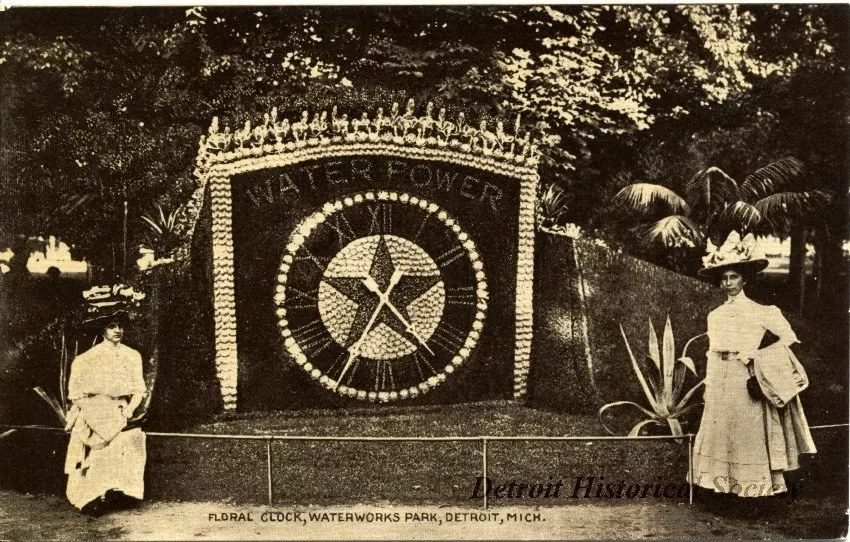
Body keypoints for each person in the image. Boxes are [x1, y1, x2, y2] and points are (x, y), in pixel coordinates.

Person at [691, 231, 816, 498]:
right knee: (719, 432)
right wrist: (708, 386)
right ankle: (721, 491)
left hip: (745, 378)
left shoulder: (762, 311)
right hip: (720, 378)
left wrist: (758, 356)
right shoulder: (715, 315)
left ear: (744, 279)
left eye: (733, 277)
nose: (728, 283)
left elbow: (789, 339)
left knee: (747, 435)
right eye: (723, 278)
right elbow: (712, 353)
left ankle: (753, 495)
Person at [64, 309, 147, 516]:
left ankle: (115, 492)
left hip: (120, 411)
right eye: (112, 326)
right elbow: (76, 394)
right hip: (93, 412)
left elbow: (138, 389)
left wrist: (128, 410)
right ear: (103, 330)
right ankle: (90, 498)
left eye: (120, 325)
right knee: (96, 452)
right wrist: (95, 415)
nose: (118, 330)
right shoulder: (87, 358)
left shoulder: (132, 355)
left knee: (127, 443)